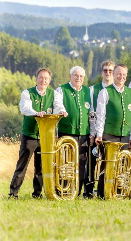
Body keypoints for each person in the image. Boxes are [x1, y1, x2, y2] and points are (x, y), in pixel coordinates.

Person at [8, 68, 65, 199]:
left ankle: (37, 194)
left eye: (46, 78)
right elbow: (25, 108)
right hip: (30, 135)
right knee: (22, 165)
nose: (43, 80)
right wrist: (36, 113)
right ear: (36, 79)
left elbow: (58, 105)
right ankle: (13, 193)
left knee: (40, 167)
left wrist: (62, 111)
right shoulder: (27, 93)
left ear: (49, 80)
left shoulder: (54, 94)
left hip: (46, 137)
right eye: (41, 77)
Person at [94, 64, 131, 198]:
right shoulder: (105, 92)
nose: (121, 77)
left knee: (122, 165)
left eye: (124, 75)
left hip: (124, 134)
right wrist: (99, 134)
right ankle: (102, 193)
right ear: (114, 75)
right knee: (107, 164)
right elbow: (100, 115)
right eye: (119, 74)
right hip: (109, 134)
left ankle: (118, 192)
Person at [56, 66, 91, 196]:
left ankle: (76, 192)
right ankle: (62, 191)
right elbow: (57, 106)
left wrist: (92, 133)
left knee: (81, 165)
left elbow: (91, 113)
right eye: (76, 75)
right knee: (64, 164)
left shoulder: (88, 91)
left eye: (81, 76)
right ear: (70, 76)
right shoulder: (61, 89)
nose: (78, 78)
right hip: (66, 132)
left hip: (83, 134)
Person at [86, 60, 115, 198]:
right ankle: (88, 191)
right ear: (101, 72)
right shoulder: (93, 89)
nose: (108, 73)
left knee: (108, 162)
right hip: (97, 132)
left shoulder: (119, 90)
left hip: (112, 132)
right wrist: (94, 133)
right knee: (91, 162)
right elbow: (92, 114)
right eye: (105, 70)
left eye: (110, 70)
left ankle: (105, 190)